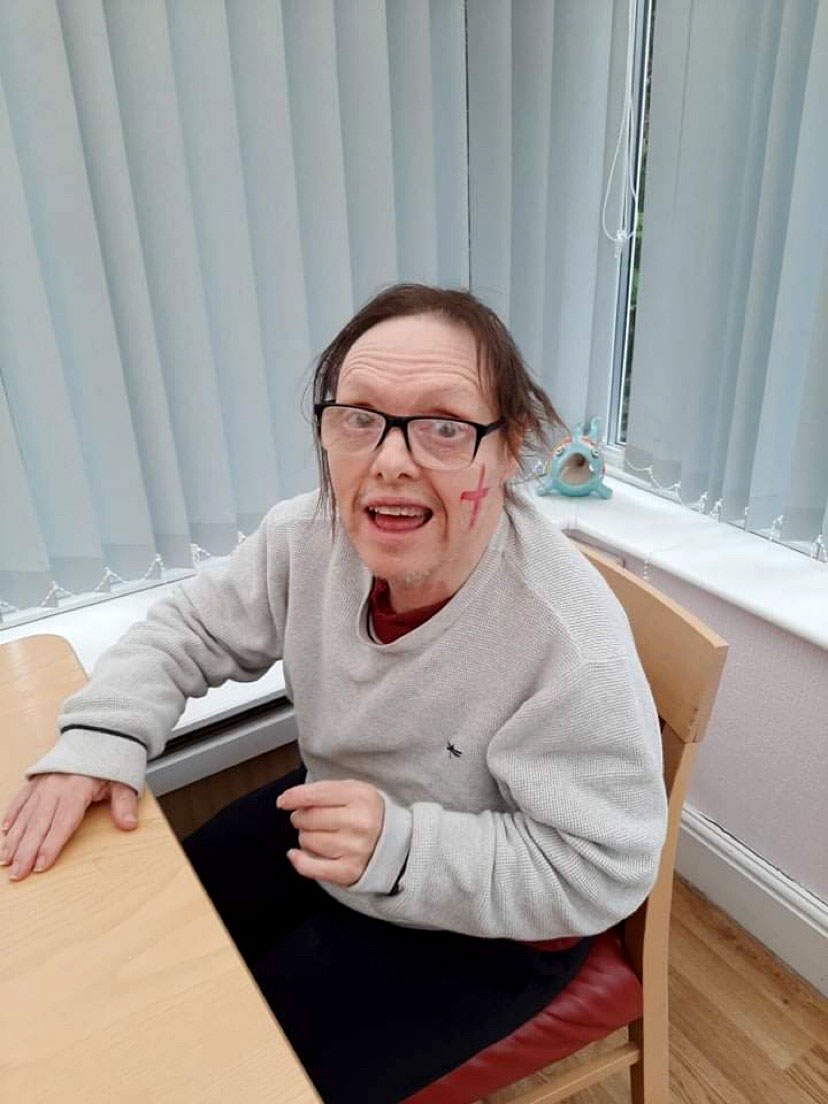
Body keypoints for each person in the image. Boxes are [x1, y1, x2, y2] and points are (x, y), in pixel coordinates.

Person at [1, 284, 668, 1104]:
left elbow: (604, 870)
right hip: (336, 809)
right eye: (359, 418)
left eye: (444, 426)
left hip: (487, 923)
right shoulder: (307, 536)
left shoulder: (569, 647)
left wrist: (405, 849)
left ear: (509, 449)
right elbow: (190, 629)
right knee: (130, 949)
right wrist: (102, 736)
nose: (389, 460)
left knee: (221, 1075)